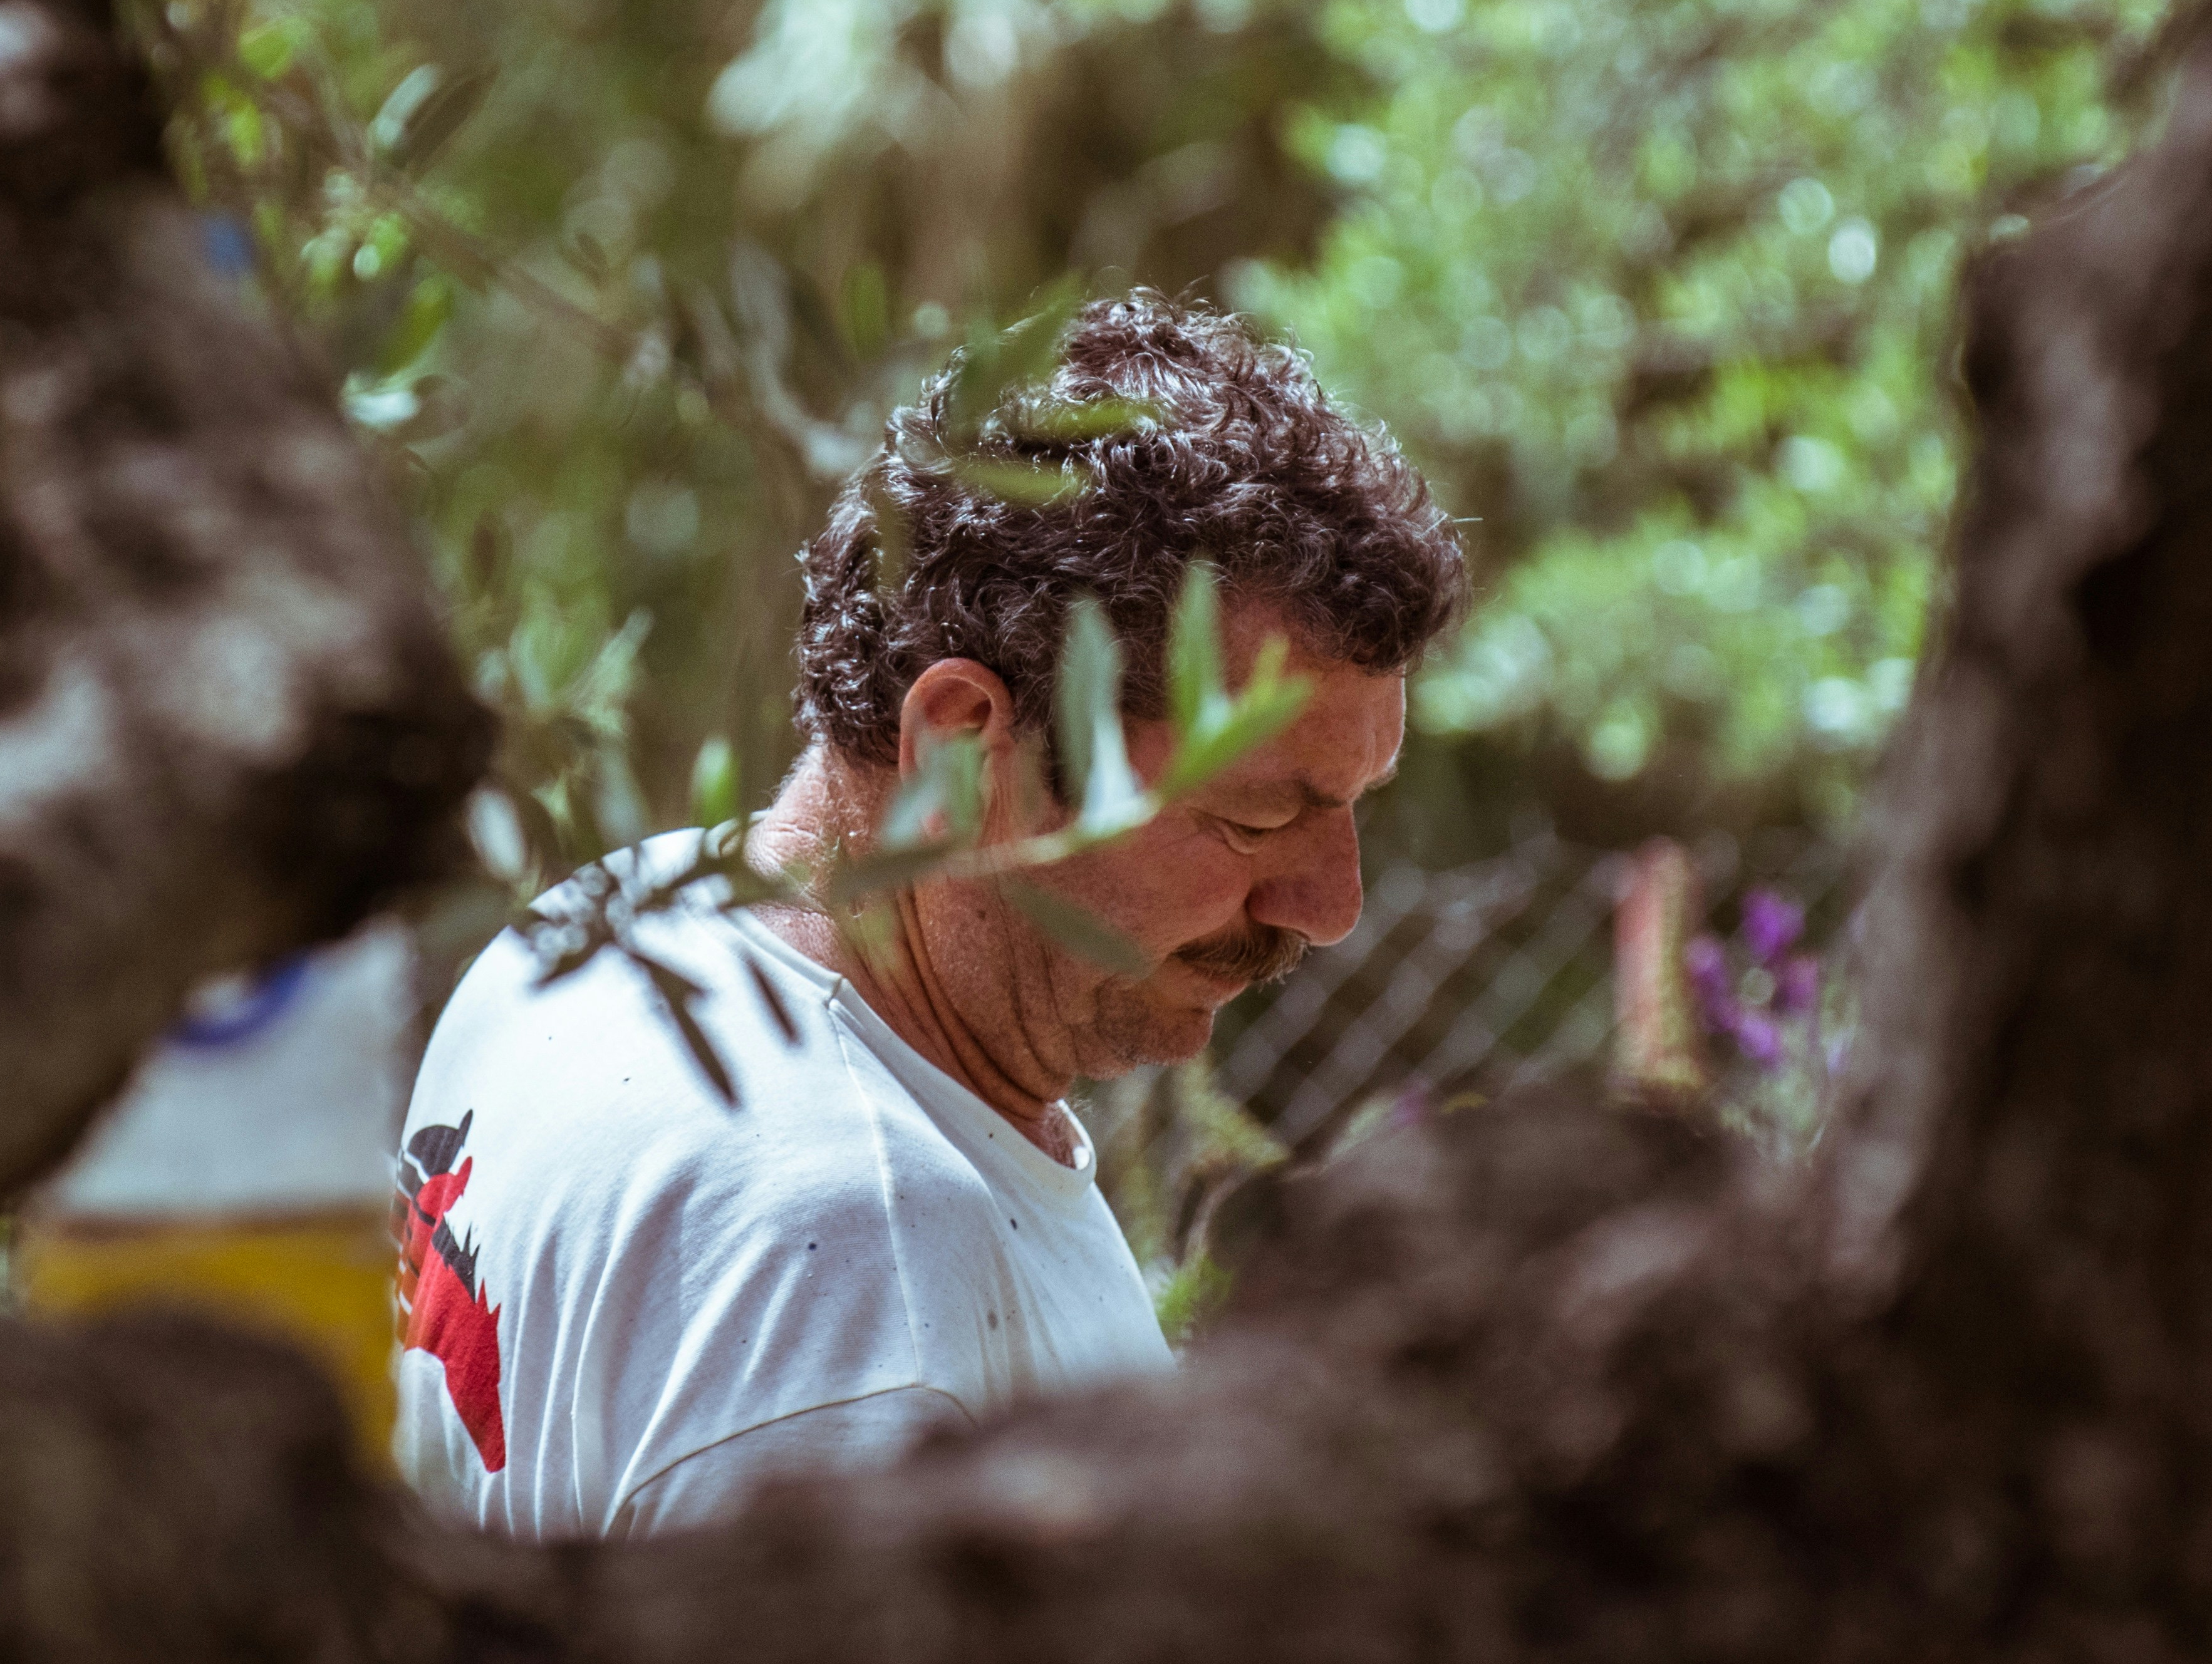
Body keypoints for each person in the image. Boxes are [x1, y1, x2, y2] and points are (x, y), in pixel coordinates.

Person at [390, 292, 1468, 1538]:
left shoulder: (610, 926)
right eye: (1251, 817)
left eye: (1349, 811)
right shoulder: (858, 1271)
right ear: (959, 748)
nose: (1329, 907)